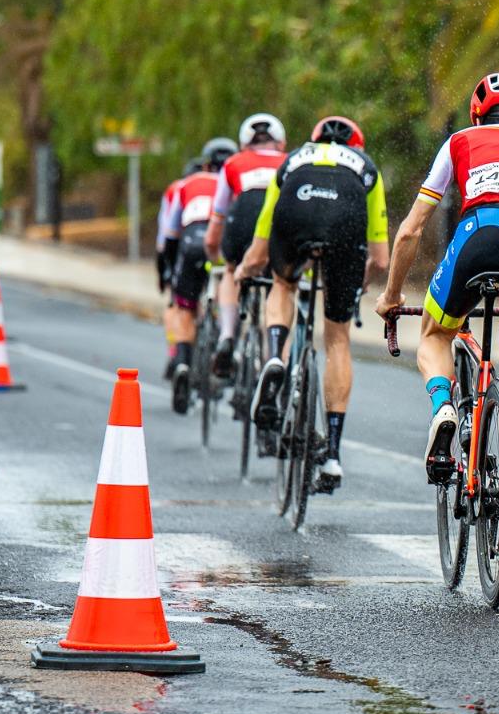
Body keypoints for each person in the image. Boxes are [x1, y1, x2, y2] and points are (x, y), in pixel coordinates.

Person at [375, 72, 499, 556]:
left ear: (477, 112)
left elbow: (409, 231)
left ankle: (444, 406)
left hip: (477, 236)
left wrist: (390, 295)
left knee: (436, 334)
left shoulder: (460, 141)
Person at [239, 116, 389, 485]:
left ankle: (276, 353)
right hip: (345, 224)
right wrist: (359, 278)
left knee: (283, 284)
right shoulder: (367, 168)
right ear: (357, 145)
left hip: (296, 214)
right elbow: (382, 258)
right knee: (337, 336)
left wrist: (244, 271)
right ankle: (333, 456)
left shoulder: (292, 160)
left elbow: (261, 243)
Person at [204, 114, 288, 378]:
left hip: (242, 219)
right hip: (277, 223)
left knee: (231, 271)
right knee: (281, 285)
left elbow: (217, 221)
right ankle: (275, 360)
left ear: (243, 144)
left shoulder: (233, 163)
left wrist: (216, 255)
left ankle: (227, 335)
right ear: (281, 142)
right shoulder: (290, 162)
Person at [160, 142, 234, 408]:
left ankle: (181, 362)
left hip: (191, 243)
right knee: (232, 292)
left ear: (205, 164)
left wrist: (168, 273)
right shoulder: (233, 179)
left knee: (184, 309)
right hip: (222, 245)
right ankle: (227, 341)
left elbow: (169, 236)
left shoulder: (184, 185)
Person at [157, 157, 205, 380]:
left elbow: (166, 233)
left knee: (178, 305)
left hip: (185, 247)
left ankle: (177, 353)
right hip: (215, 247)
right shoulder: (222, 182)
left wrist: (164, 271)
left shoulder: (178, 188)